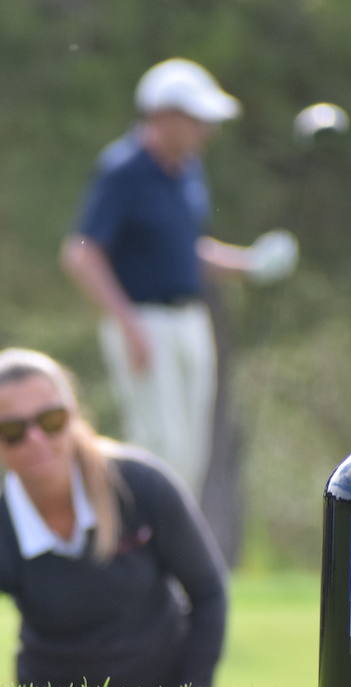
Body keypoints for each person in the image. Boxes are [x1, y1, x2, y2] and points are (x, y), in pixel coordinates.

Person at [59, 57, 297, 497]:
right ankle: (142, 555)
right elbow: (81, 254)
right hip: (143, 322)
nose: (207, 131)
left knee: (191, 455)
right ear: (163, 116)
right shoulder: (123, 170)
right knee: (158, 447)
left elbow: (186, 250)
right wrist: (127, 324)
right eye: (197, 120)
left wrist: (251, 264)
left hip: (190, 319)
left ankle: (173, 560)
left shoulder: (188, 171)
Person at [0, 347, 228, 687]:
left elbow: (209, 592)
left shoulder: (141, 485)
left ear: (73, 414)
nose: (35, 439)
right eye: (12, 429)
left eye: (51, 420)